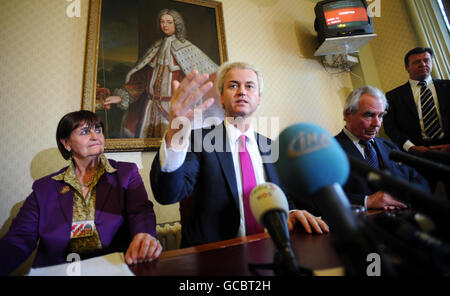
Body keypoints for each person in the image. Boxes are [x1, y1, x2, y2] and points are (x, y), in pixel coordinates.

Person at [150, 62, 329, 248]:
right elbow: (167, 194)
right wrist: (174, 136)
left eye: (249, 86)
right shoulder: (198, 141)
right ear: (221, 97)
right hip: (218, 254)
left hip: (273, 247)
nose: (242, 91)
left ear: (258, 98)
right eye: (233, 85)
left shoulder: (271, 146)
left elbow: (284, 194)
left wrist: (291, 211)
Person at [0, 110, 161, 276]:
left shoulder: (126, 173)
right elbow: (19, 238)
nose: (94, 136)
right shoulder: (44, 187)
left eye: (98, 130)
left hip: (113, 266)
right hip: (60, 270)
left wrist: (144, 235)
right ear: (66, 143)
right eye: (84, 131)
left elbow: (141, 211)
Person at [101, 8, 219, 138]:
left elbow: (205, 79)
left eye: (169, 22)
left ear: (177, 24)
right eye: (162, 22)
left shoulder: (188, 50)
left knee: (175, 144)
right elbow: (141, 78)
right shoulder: (156, 48)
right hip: (150, 109)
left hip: (174, 110)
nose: (165, 25)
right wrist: (122, 96)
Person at [335, 86, 431, 210]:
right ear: (348, 114)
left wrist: (404, 196)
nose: (377, 123)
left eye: (380, 115)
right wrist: (366, 201)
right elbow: (316, 197)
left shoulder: (389, 146)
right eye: (369, 115)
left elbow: (421, 182)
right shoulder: (328, 150)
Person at [383, 47, 450, 194]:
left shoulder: (448, 87)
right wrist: (410, 147)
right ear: (407, 67)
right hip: (417, 155)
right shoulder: (393, 96)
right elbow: (389, 127)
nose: (423, 64)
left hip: (448, 150)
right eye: (417, 62)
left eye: (426, 60)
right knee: (422, 201)